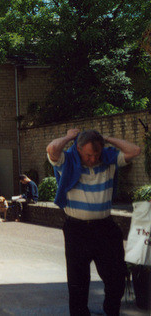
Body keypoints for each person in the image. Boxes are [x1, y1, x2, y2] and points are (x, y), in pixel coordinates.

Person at [46, 128, 141, 316]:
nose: (92, 159)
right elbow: (52, 149)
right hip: (76, 229)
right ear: (79, 149)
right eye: (89, 155)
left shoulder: (109, 160)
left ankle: (111, 310)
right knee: (78, 283)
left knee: (116, 278)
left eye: (96, 154)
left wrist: (107, 138)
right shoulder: (67, 161)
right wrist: (69, 137)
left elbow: (135, 150)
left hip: (105, 227)